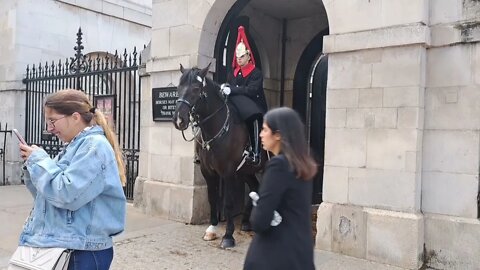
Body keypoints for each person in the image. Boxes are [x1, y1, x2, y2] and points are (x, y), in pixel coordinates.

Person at [15, 89, 126, 270]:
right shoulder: (74, 147)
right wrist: (32, 166)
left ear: (75, 117)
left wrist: (41, 161)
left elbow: (66, 194)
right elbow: (47, 196)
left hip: (83, 250)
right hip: (69, 245)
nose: (50, 129)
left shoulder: (94, 146)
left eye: (52, 121)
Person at [243, 107, 318, 270]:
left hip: (275, 256)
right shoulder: (303, 164)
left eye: (264, 129)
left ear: (278, 134)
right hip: (300, 254)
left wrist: (258, 207)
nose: (261, 134)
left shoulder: (279, 165)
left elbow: (259, 222)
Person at [222, 25, 268, 165]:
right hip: (236, 101)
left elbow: (251, 90)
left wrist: (233, 89)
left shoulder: (256, 73)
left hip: (253, 102)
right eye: (237, 57)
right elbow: (231, 86)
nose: (239, 59)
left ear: (248, 56)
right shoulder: (233, 73)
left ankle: (255, 153)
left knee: (253, 116)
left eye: (242, 56)